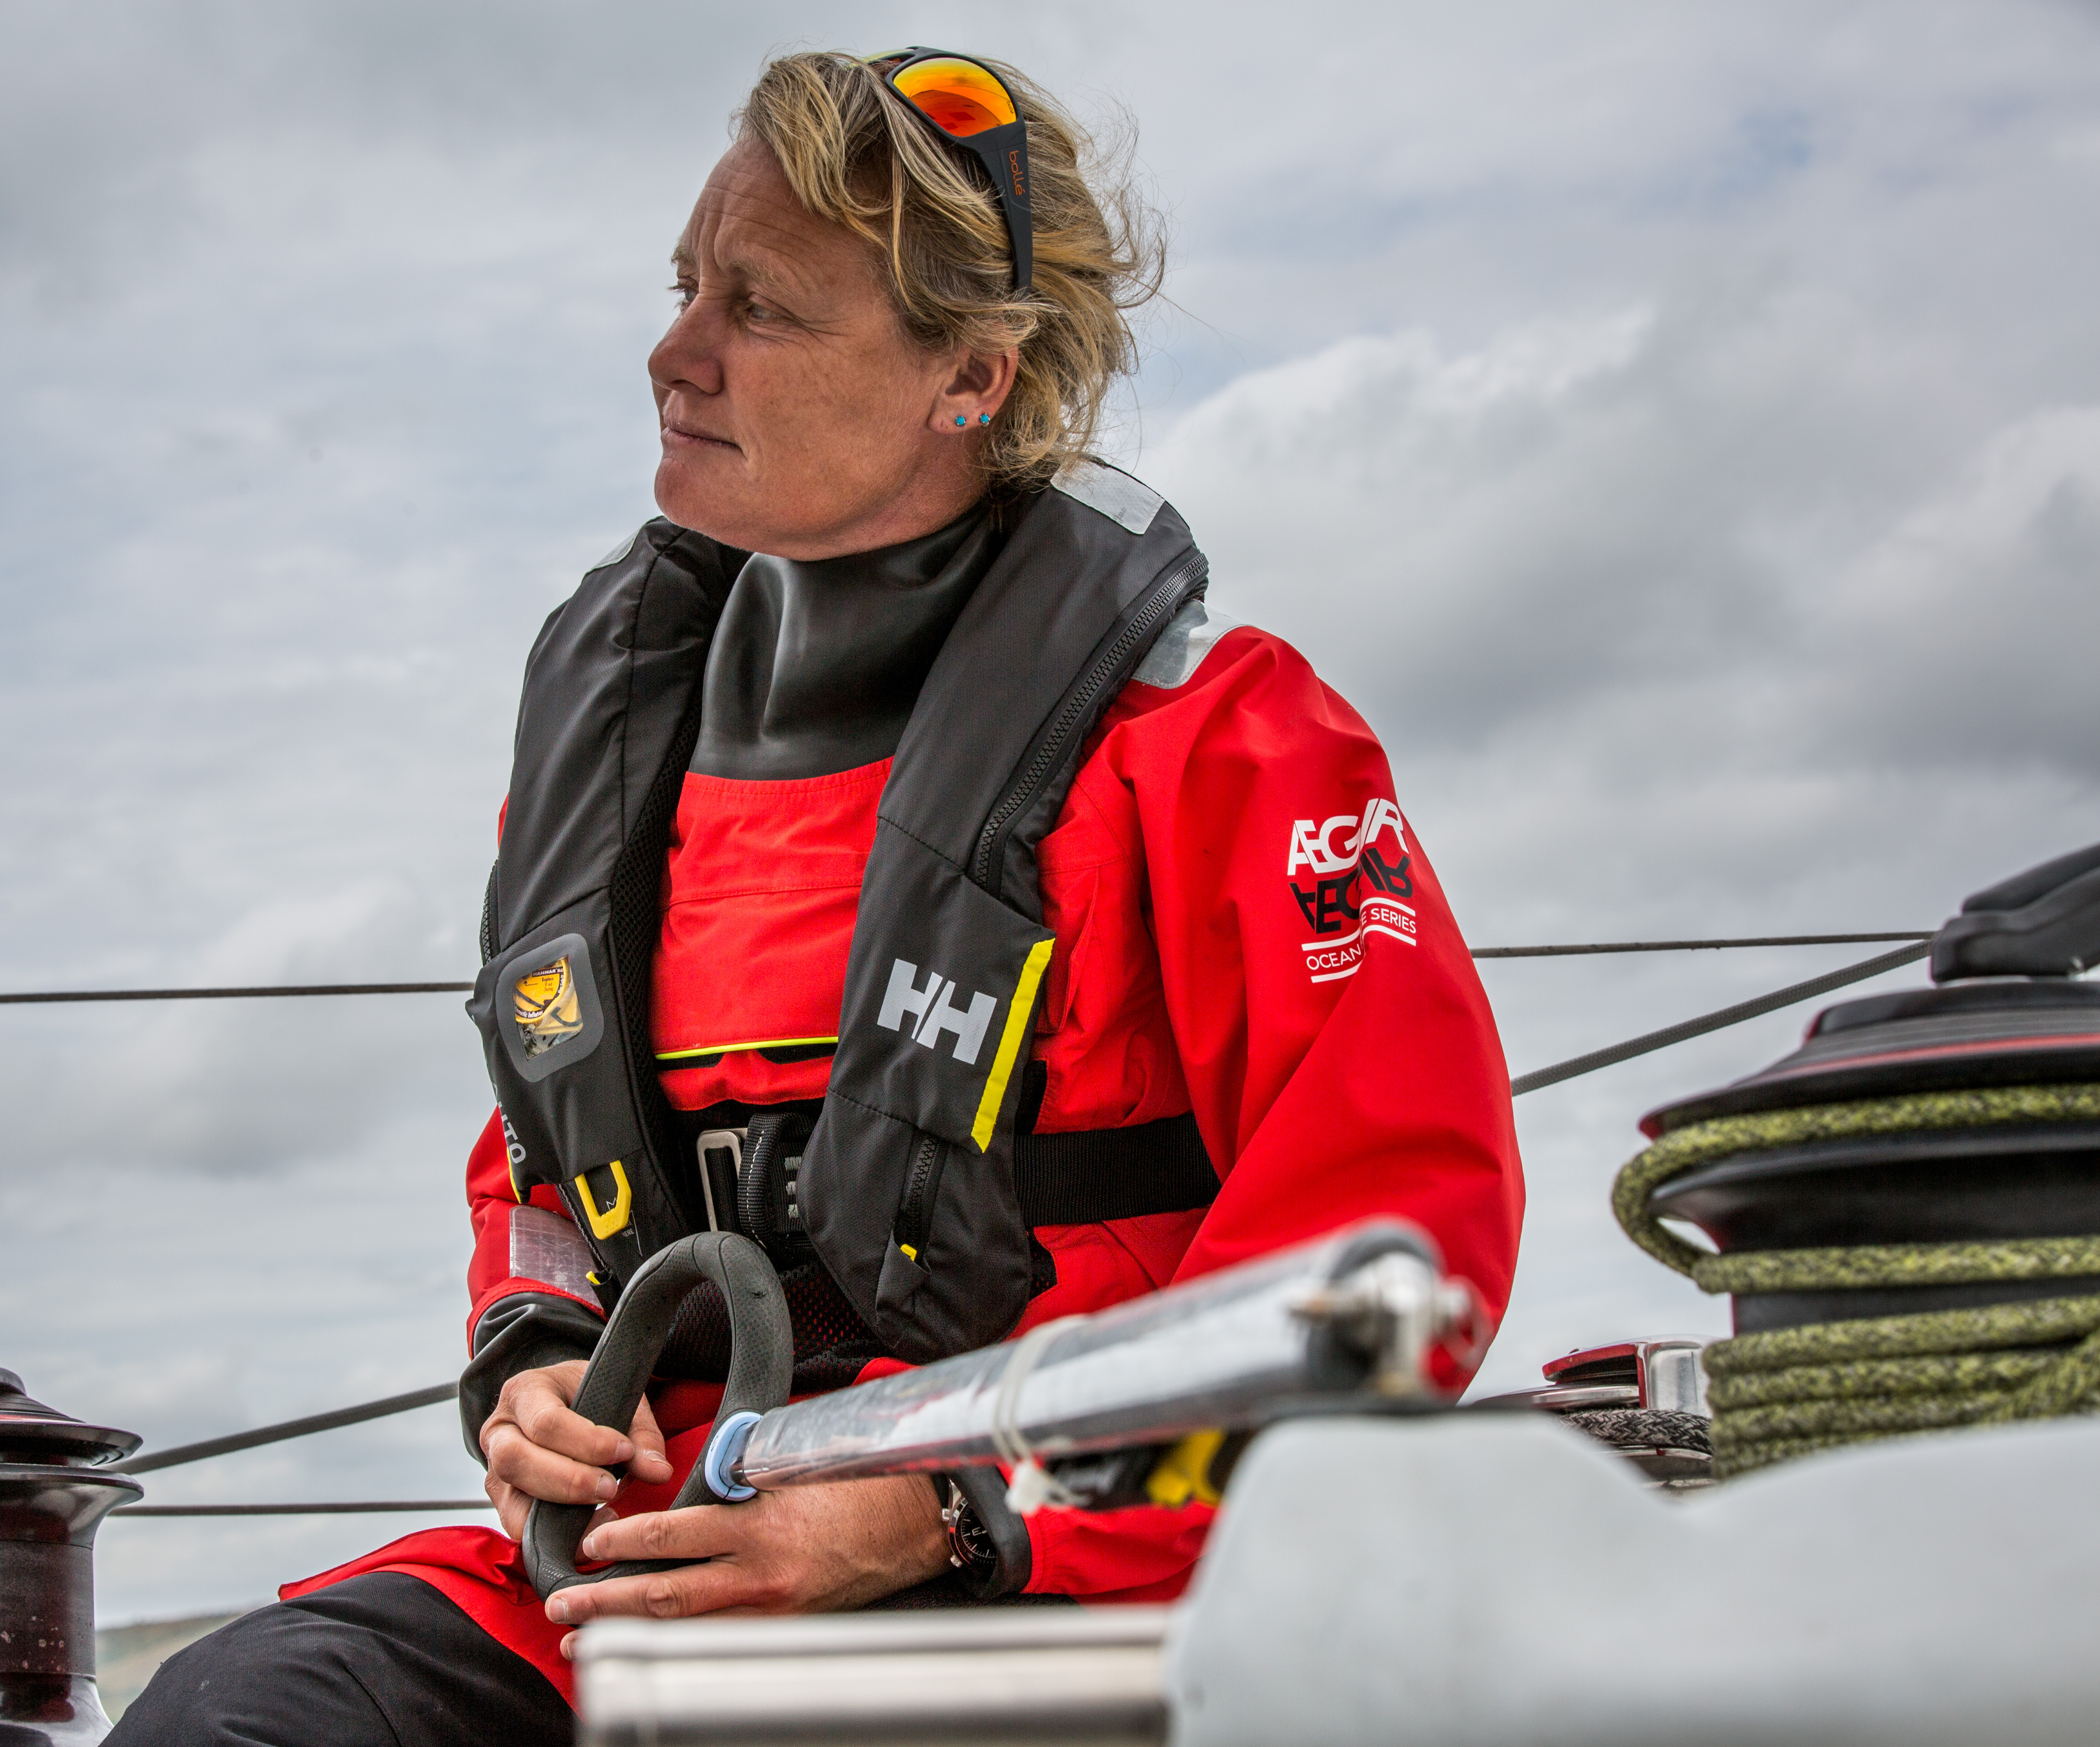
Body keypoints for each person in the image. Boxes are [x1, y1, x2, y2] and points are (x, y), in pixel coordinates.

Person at [115, 46, 1523, 1747]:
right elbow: (545, 1176)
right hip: (646, 1567)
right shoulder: (606, 756)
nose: (673, 353)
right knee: (244, 1717)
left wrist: (951, 1515)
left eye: (760, 309)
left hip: (1052, 1581)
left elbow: (1393, 1257)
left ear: (973, 379)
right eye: (684, 285)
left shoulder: (1220, 741)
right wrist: (538, 1373)